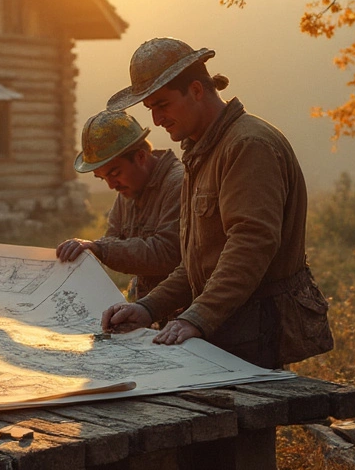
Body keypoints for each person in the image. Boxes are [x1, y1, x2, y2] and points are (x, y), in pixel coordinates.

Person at [100, 37, 334, 369]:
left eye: (162, 105)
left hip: (255, 331)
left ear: (196, 90)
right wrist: (149, 308)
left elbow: (251, 243)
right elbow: (197, 263)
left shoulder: (247, 146)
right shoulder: (203, 153)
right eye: (149, 108)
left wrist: (198, 316)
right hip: (227, 326)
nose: (155, 121)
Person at [56, 107, 183, 301]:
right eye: (102, 178)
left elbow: (167, 253)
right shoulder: (127, 193)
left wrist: (100, 248)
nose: (111, 185)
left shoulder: (179, 185)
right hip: (149, 308)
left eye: (115, 174)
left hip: (184, 313)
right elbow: (113, 240)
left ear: (140, 156)